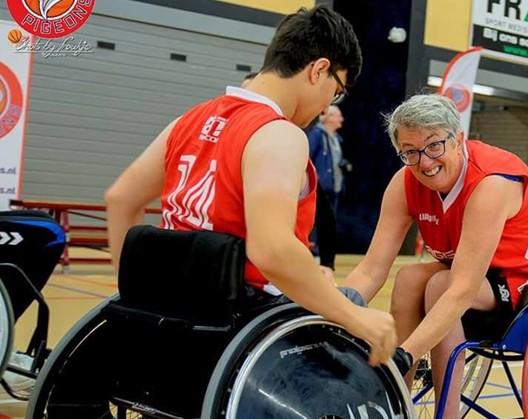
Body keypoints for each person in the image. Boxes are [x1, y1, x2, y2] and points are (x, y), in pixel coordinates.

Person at [104, 5, 396, 367]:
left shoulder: (186, 121)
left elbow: (120, 200)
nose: (326, 106)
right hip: (242, 314)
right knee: (351, 302)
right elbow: (271, 250)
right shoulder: (279, 134)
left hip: (170, 301)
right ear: (319, 69)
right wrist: (356, 318)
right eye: (336, 92)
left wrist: (133, 295)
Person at [344, 94, 528, 418]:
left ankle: (443, 414)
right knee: (407, 280)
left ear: (458, 139)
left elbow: (460, 288)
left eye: (434, 146)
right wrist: (331, 311)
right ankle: (396, 403)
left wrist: (404, 353)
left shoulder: (491, 182)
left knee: (440, 286)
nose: (425, 162)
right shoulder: (405, 183)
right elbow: (371, 269)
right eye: (410, 152)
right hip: (485, 275)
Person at [307, 105, 352, 275]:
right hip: (321, 187)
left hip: (335, 187)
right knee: (315, 221)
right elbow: (309, 157)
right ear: (329, 117)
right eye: (338, 116)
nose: (341, 120)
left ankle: (323, 257)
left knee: (328, 222)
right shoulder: (317, 135)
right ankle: (313, 254)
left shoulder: (337, 138)